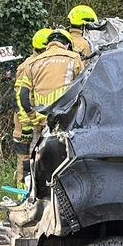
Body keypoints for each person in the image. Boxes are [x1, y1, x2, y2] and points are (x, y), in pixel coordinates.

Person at [18, 29, 86, 125]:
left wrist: (34, 118)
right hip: (67, 118)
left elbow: (23, 95)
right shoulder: (74, 58)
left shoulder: (31, 63)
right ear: (67, 45)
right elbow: (84, 87)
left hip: (42, 120)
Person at [11, 28, 51, 188]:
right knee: (25, 154)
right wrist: (29, 120)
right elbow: (19, 97)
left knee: (34, 154)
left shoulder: (37, 63)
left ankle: (34, 188)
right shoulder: (28, 66)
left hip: (32, 118)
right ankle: (23, 190)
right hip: (26, 121)